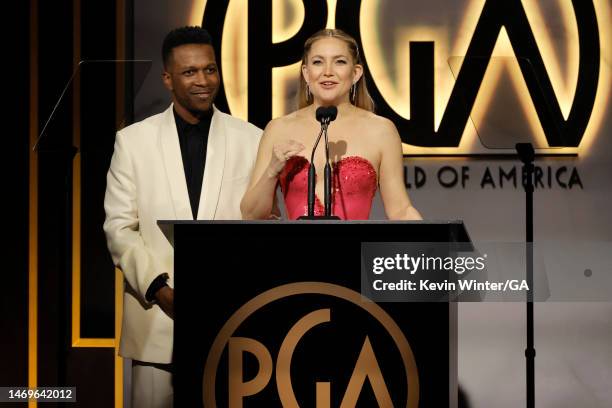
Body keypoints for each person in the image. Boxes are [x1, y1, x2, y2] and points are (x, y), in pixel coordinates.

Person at [103, 26, 262, 407]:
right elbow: (119, 228)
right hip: (157, 320)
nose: (203, 81)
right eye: (189, 72)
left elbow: (262, 226)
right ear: (168, 78)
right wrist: (160, 289)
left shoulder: (252, 139)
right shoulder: (133, 141)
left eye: (210, 70)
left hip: (232, 324)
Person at [241, 29, 421, 220]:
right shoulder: (278, 129)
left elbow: (400, 209)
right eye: (318, 62)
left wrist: (435, 243)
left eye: (340, 62)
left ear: (356, 73)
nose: (328, 72)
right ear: (306, 72)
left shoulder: (381, 131)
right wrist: (272, 170)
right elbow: (251, 215)